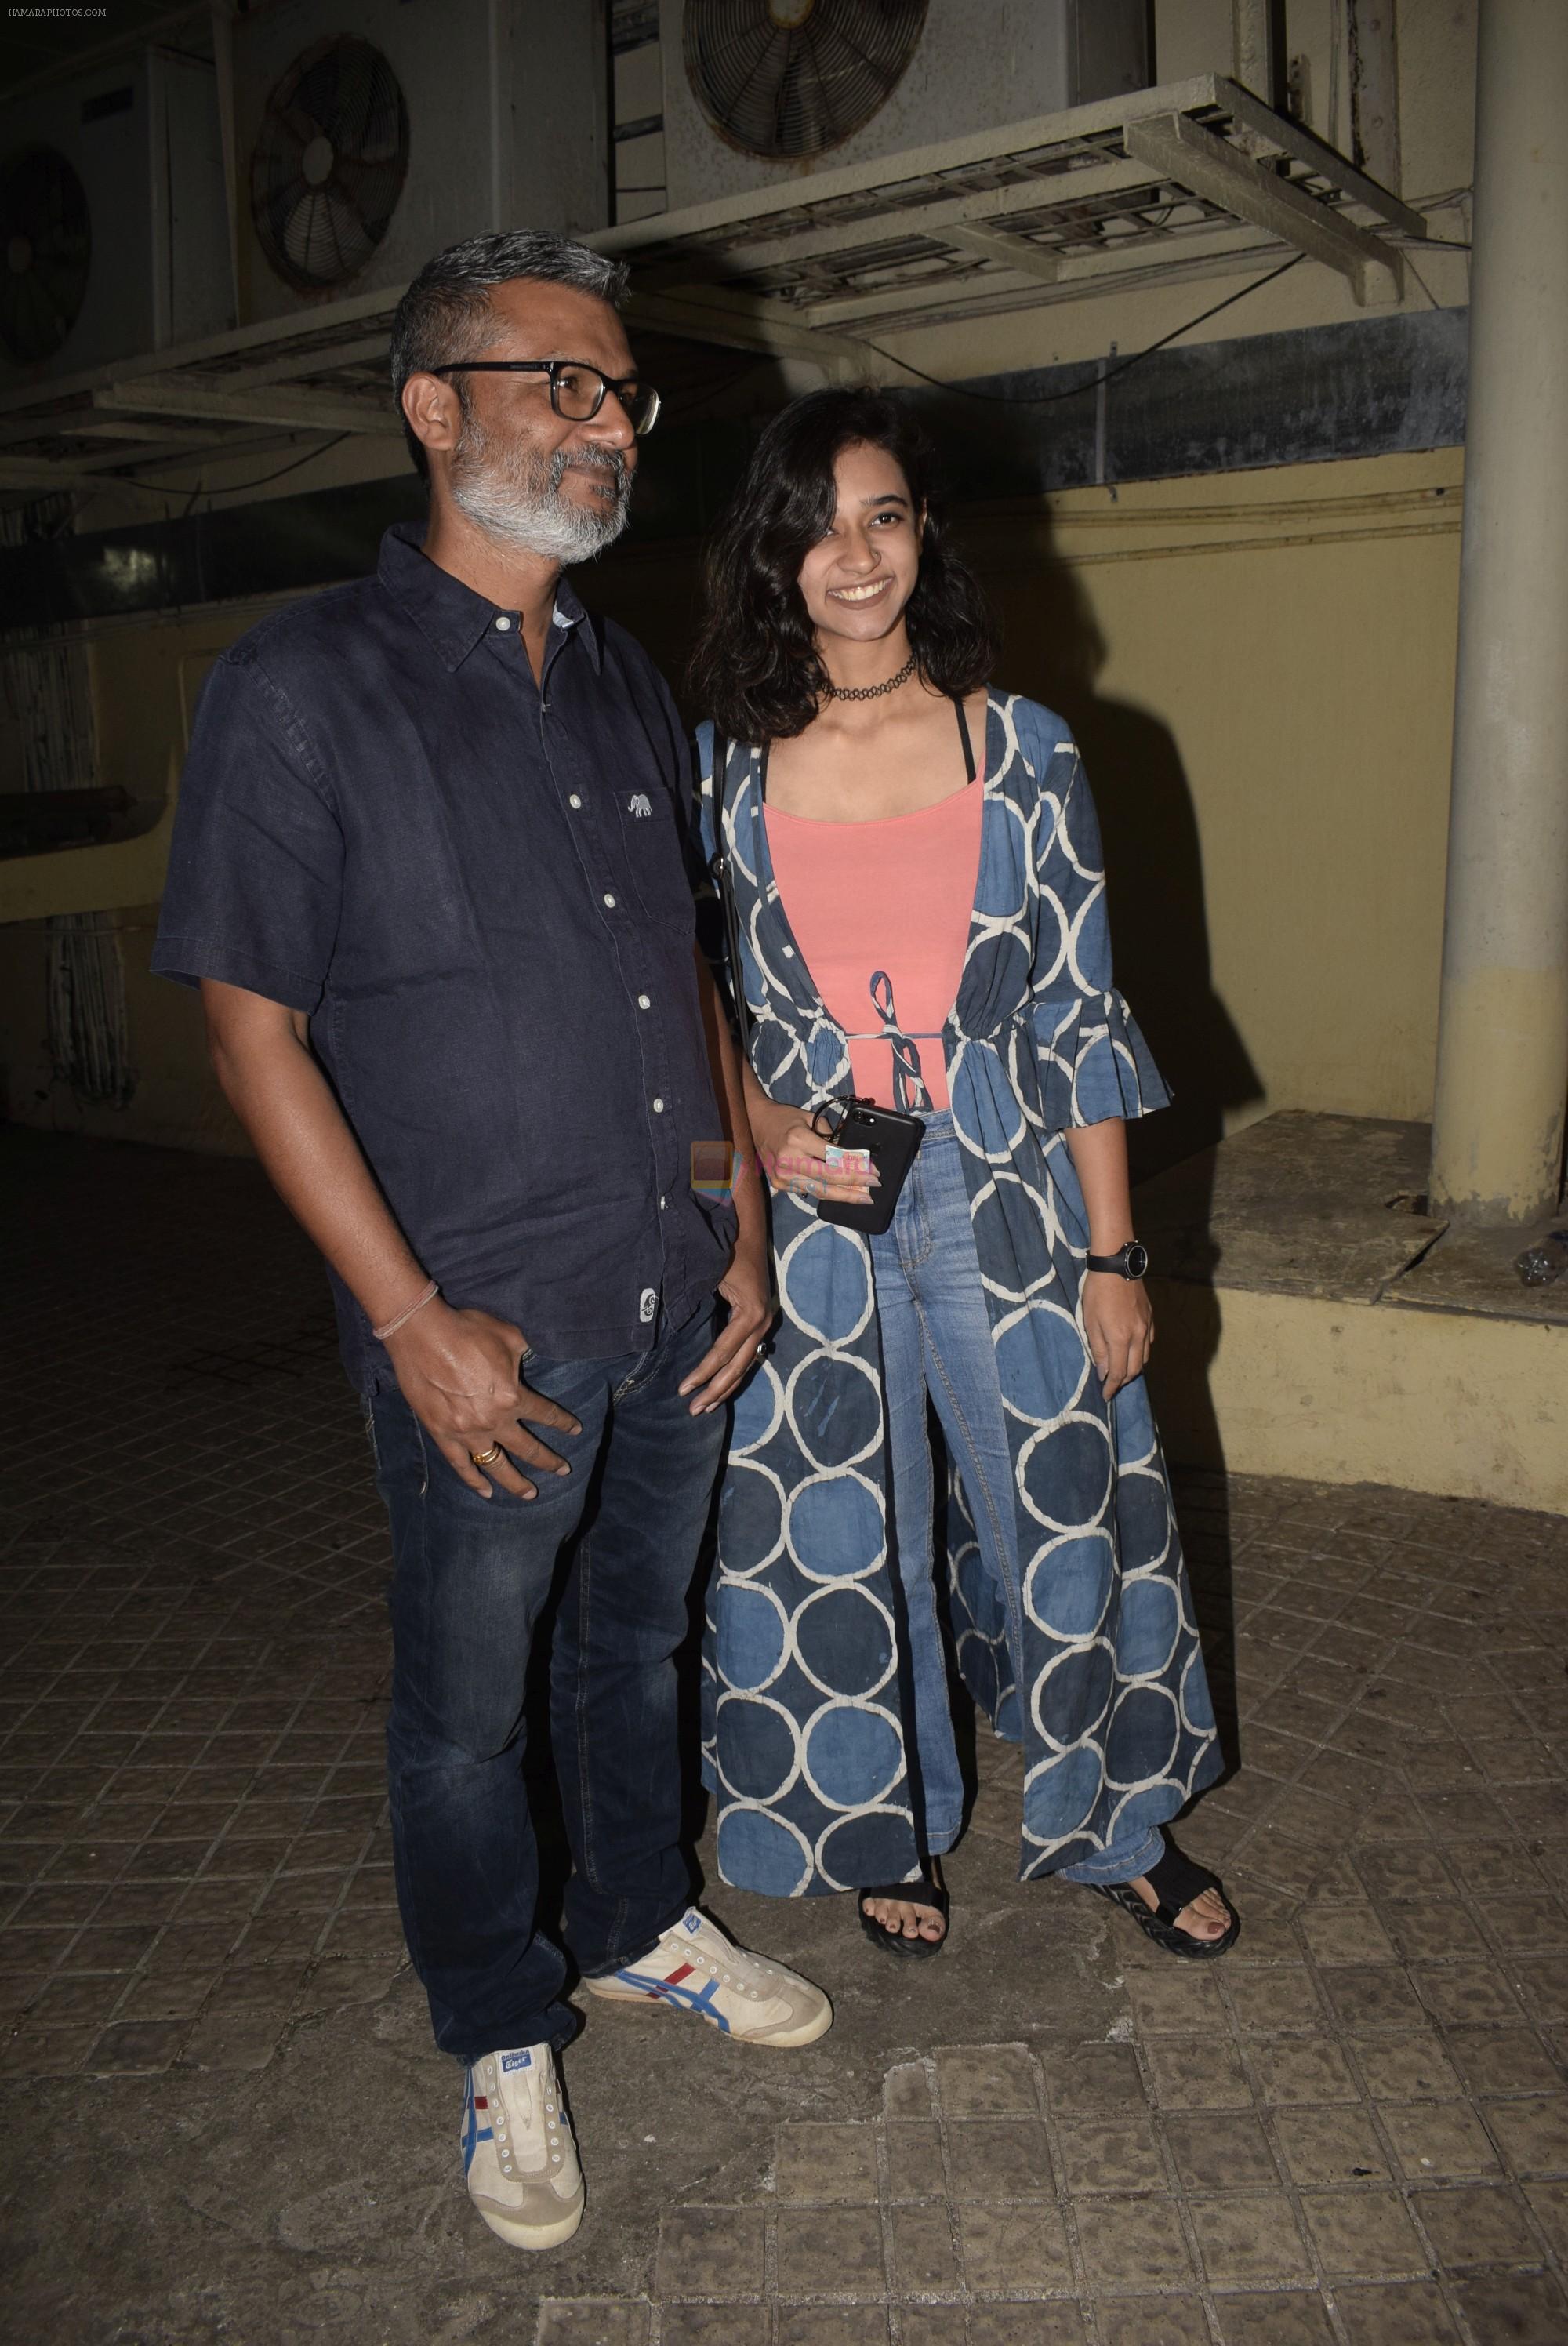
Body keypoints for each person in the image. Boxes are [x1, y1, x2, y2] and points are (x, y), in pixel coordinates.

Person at [151, 231, 831, 2256]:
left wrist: (738, 1208)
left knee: (638, 1647)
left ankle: (637, 1924)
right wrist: (408, 1318)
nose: (604, 425)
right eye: (560, 384)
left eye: (621, 395)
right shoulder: (297, 685)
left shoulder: (620, 673)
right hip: (484, 1332)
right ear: (433, 409)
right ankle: (498, 2025)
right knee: (467, 1711)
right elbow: (245, 1024)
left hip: (668, 1284)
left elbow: (681, 964)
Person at [689, 388, 1236, 1964]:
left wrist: (1117, 1254)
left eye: (883, 516)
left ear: (924, 535)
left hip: (1009, 1190)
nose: (852, 557)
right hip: (817, 1211)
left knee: (1068, 1510)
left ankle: (1117, 1821)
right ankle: (885, 1824)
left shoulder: (1025, 749)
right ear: (773, 555)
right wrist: (746, 1128)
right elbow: (694, 996)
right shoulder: (730, 765)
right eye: (816, 527)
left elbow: (1077, 1006)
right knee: (834, 1530)